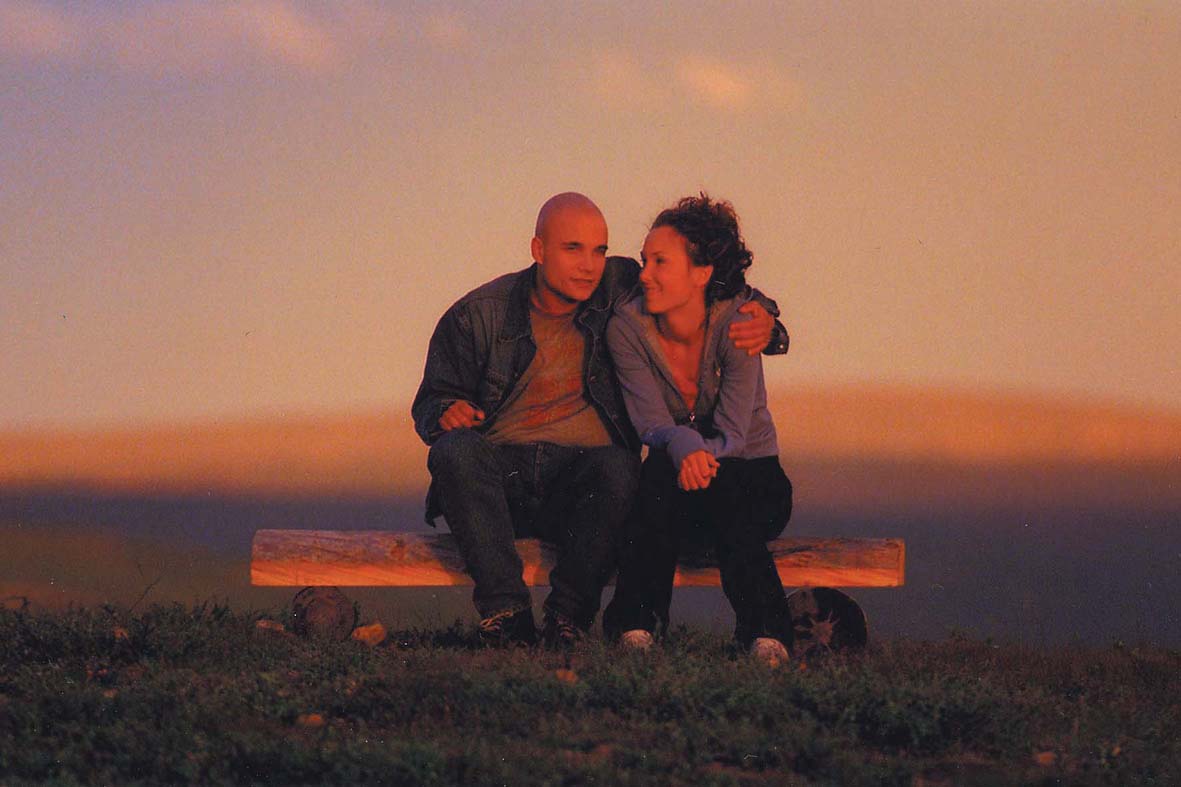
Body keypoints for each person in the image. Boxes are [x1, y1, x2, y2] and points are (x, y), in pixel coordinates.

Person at [411, 192, 786, 649]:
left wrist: (767, 317)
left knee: (621, 467)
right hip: (503, 482)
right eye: (573, 249)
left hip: (581, 484)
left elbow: (711, 280)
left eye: (600, 250)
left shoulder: (619, 283)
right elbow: (430, 401)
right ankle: (507, 617)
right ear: (538, 249)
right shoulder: (479, 314)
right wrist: (445, 410)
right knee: (454, 451)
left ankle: (568, 620)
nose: (589, 265)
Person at [602, 194, 795, 665]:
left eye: (660, 262)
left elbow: (733, 435)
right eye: (644, 260)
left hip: (751, 476)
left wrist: (693, 453)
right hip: (673, 485)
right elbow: (650, 422)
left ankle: (765, 635)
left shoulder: (741, 322)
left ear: (702, 273)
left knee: (725, 485)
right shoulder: (627, 328)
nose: (644, 273)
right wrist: (684, 444)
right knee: (657, 477)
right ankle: (636, 629)